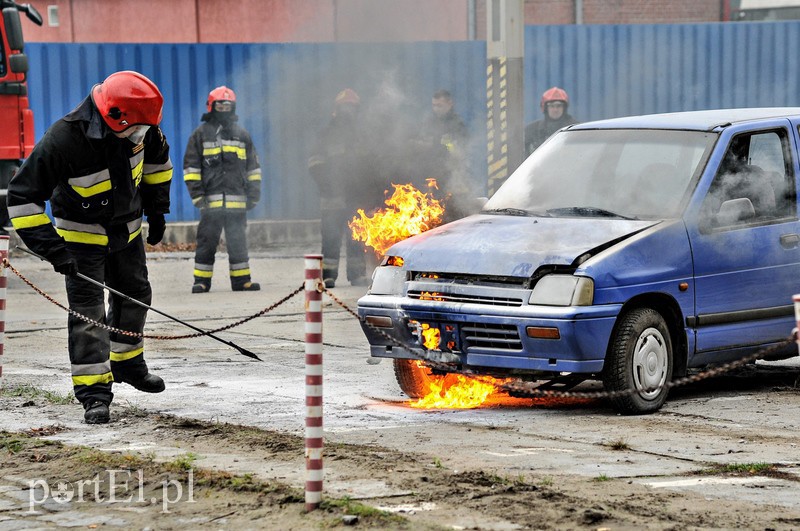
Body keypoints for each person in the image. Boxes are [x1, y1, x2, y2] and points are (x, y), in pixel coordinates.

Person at [7, 70, 173, 424]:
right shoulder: (63, 140)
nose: (142, 137)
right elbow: (22, 201)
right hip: (80, 243)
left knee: (136, 294)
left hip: (126, 233)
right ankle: (94, 393)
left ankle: (128, 364)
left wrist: (157, 210)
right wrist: (55, 251)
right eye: (137, 130)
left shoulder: (141, 128)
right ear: (115, 115)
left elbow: (158, 165)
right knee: (88, 313)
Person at [183, 86, 262, 294]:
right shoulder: (200, 135)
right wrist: (198, 197)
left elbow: (253, 167)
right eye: (220, 105)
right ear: (212, 106)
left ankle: (242, 280)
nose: (224, 109)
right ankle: (201, 281)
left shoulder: (242, 135)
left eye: (228, 105)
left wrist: (253, 195)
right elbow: (191, 169)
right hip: (210, 204)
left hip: (237, 202)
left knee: (238, 242)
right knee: (207, 243)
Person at [307, 88, 370, 288]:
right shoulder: (327, 134)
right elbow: (314, 163)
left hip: (356, 198)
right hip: (332, 197)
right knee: (331, 238)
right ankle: (328, 276)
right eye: (345, 107)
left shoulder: (363, 134)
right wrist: (328, 186)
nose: (348, 111)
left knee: (357, 238)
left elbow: (372, 167)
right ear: (337, 109)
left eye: (352, 107)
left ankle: (357, 274)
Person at [416, 89, 473, 221]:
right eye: (434, 105)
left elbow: (460, 152)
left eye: (439, 106)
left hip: (451, 175)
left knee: (451, 211)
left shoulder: (457, 124)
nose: (436, 109)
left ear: (450, 103)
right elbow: (423, 140)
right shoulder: (429, 121)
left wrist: (445, 144)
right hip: (431, 174)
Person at [524, 86, 579, 157]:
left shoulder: (575, 129)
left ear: (564, 108)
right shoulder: (531, 130)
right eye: (552, 106)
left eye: (559, 106)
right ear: (545, 108)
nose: (555, 110)